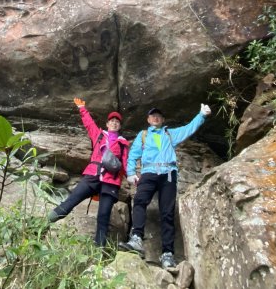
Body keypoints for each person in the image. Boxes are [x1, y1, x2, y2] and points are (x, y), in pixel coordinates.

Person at [119, 104, 211, 268]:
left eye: (159, 116)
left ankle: (167, 253)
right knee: (139, 201)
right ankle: (136, 239)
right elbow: (133, 155)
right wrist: (131, 172)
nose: (156, 117)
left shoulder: (170, 134)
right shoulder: (143, 135)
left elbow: (188, 129)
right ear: (148, 119)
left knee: (167, 212)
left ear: (163, 120)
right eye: (153, 116)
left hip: (168, 173)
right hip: (148, 173)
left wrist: (201, 115)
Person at [47, 98, 129, 247]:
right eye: (112, 120)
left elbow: (125, 164)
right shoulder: (98, 135)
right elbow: (89, 123)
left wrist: (130, 177)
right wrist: (82, 108)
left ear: (120, 126)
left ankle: (99, 253)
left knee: (103, 217)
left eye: (117, 121)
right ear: (107, 124)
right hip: (92, 174)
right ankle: (43, 223)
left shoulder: (123, 144)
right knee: (71, 201)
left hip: (111, 181)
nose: (114, 122)